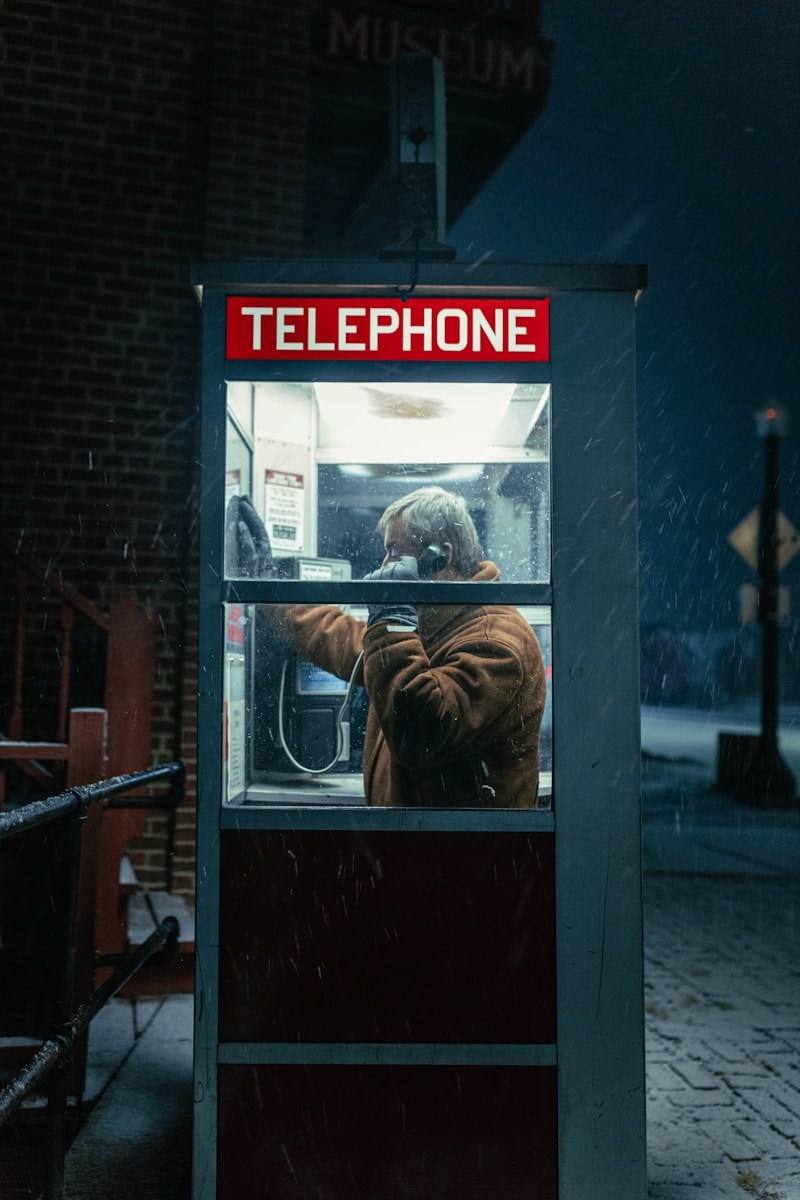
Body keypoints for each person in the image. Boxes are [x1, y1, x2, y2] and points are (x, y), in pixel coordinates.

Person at [261, 486, 546, 808]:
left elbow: (421, 734)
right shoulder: (436, 623)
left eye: (395, 553)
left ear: (440, 556)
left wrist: (393, 618)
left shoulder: (493, 640)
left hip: (460, 851)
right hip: (416, 842)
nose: (384, 567)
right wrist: (271, 593)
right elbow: (350, 643)